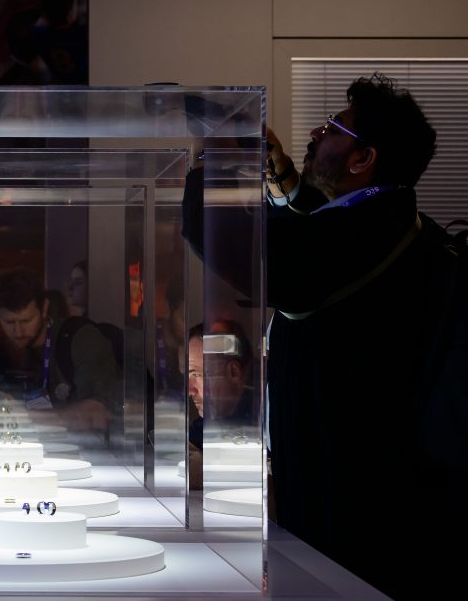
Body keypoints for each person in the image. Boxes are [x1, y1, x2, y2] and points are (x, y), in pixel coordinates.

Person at [188, 73, 467, 599]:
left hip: (357, 499)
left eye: (334, 128)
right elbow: (316, 223)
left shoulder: (363, 233)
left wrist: (213, 159)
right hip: (364, 480)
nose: (316, 133)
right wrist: (279, 173)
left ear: (363, 159)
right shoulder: (387, 218)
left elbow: (251, 248)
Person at [0, 266, 117, 431]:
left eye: (26, 321)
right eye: (9, 322)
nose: (18, 332)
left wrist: (23, 417)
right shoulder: (4, 349)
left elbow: (95, 414)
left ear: (44, 309)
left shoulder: (81, 339)